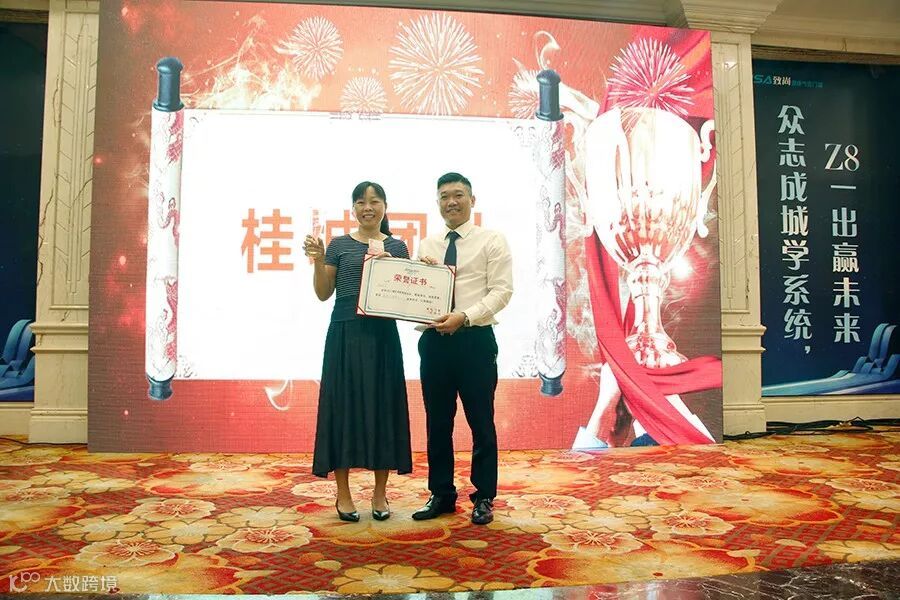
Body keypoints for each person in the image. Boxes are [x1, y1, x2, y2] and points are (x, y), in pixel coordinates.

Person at [303, 181, 412, 522]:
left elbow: (407, 299)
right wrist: (318, 261)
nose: (368, 207)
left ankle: (380, 493)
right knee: (342, 409)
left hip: (382, 337)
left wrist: (408, 270)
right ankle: (344, 494)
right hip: (345, 334)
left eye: (375, 201)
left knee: (383, 409)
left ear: (385, 206)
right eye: (361, 202)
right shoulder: (338, 245)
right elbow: (323, 293)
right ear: (353, 209)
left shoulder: (397, 246)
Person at [412, 172, 513, 525]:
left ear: (472, 200)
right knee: (437, 422)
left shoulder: (492, 240)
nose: (451, 202)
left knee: (481, 421)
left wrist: (465, 317)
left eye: (458, 195)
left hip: (475, 340)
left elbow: (502, 291)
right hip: (435, 342)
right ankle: (441, 494)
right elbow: (419, 294)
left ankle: (484, 496)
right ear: (437, 202)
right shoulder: (428, 245)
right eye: (444, 196)